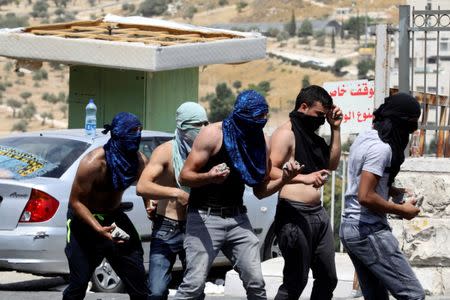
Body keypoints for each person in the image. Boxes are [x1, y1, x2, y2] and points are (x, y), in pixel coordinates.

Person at [174, 90, 302, 300]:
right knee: (193, 287)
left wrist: (284, 179)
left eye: (264, 117)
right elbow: (185, 176)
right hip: (205, 217)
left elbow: (261, 191)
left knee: (256, 284)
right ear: (243, 115)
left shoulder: (261, 141)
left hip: (237, 219)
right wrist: (209, 177)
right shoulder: (213, 135)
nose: (262, 121)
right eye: (257, 117)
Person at [340, 93, 425, 300]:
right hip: (368, 229)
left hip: (351, 227)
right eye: (412, 124)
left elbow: (364, 182)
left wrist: (393, 190)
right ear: (401, 122)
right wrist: (402, 211)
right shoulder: (382, 148)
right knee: (413, 294)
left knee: (376, 296)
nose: (413, 130)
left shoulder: (365, 137)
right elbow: (365, 196)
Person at [63, 112, 149, 300]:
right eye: (133, 131)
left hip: (114, 217)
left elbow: (146, 188)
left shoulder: (139, 161)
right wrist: (99, 229)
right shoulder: (93, 163)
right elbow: (75, 202)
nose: (137, 135)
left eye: (140, 130)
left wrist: (150, 205)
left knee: (139, 281)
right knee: (78, 283)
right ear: (118, 134)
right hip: (84, 222)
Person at [269, 85, 342, 300]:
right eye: (319, 114)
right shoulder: (286, 134)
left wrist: (335, 129)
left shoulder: (313, 137)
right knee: (295, 281)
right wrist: (303, 177)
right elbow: (270, 171)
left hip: (318, 214)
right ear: (303, 107)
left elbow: (332, 163)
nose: (321, 120)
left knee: (328, 278)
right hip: (294, 214)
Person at [136, 102, 209, 300]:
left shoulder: (207, 153)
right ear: (182, 126)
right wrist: (176, 193)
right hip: (166, 225)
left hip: (196, 224)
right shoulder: (165, 151)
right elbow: (142, 186)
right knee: (157, 291)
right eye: (197, 125)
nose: (202, 129)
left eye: (206, 123)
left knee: (195, 290)